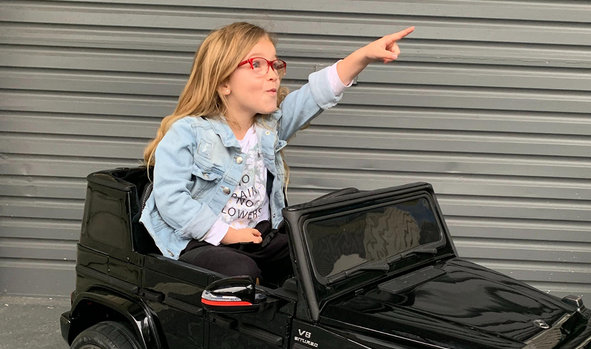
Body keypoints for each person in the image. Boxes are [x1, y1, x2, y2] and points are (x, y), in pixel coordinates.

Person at [139, 21, 414, 285]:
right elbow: (170, 198)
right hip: (204, 242)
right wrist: (224, 233)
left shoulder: (270, 127)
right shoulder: (187, 131)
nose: (272, 73)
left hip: (260, 239)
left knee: (317, 245)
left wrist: (362, 56)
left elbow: (314, 96)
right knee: (239, 270)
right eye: (256, 65)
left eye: (274, 64)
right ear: (224, 83)